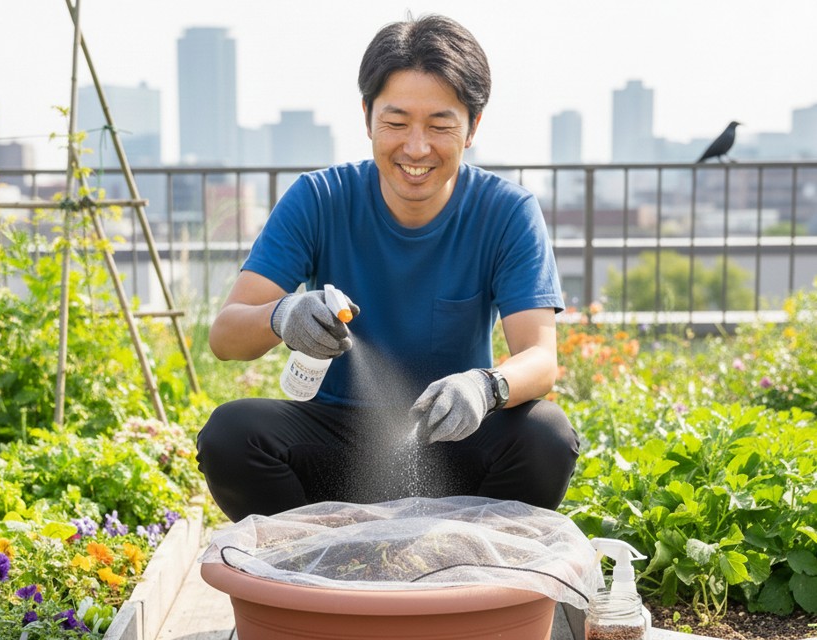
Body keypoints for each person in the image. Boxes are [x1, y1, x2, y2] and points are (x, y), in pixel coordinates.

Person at [197, 14, 579, 522]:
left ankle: (468, 563)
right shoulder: (319, 198)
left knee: (546, 436)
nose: (416, 147)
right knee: (230, 434)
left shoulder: (506, 211)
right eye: (396, 123)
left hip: (452, 438)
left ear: (472, 128)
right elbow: (226, 336)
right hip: (337, 448)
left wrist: (485, 387)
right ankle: (319, 563)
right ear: (367, 117)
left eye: (440, 125)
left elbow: (539, 356)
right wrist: (282, 315)